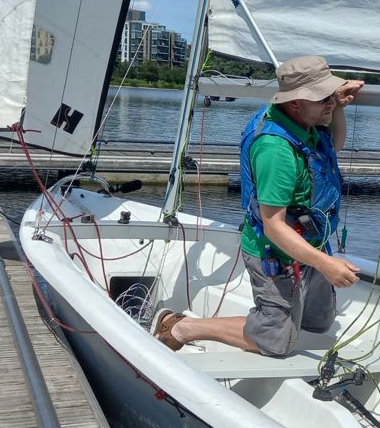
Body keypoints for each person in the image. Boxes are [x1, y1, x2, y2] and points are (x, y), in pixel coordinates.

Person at [153, 55, 364, 356]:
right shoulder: (275, 150)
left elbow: (334, 146)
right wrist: (325, 264)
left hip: (310, 245)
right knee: (275, 344)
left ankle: (283, 318)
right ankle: (181, 326)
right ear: (294, 103)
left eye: (331, 94)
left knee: (318, 324)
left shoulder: (302, 121)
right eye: (322, 98)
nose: (329, 102)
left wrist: (336, 105)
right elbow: (274, 226)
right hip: (276, 251)